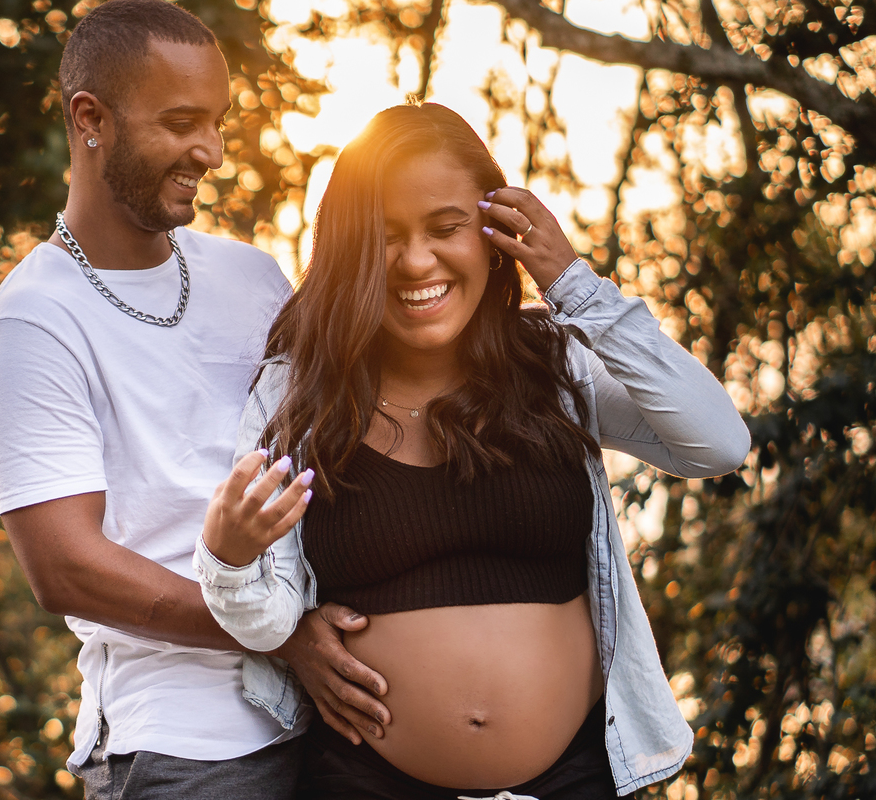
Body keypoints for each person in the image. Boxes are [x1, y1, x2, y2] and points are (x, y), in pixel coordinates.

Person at [194, 102, 751, 799]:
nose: (415, 260)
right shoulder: (299, 394)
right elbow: (269, 619)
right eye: (385, 236)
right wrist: (228, 557)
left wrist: (573, 282)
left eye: (446, 227)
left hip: (573, 780)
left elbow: (718, 443)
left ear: (495, 232)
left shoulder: (553, 364)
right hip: (365, 781)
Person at [0, 1, 382, 797]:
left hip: (325, 721)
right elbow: (67, 568)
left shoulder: (252, 277)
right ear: (91, 119)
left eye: (219, 122)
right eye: (183, 121)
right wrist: (279, 634)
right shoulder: (31, 323)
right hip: (186, 750)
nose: (213, 151)